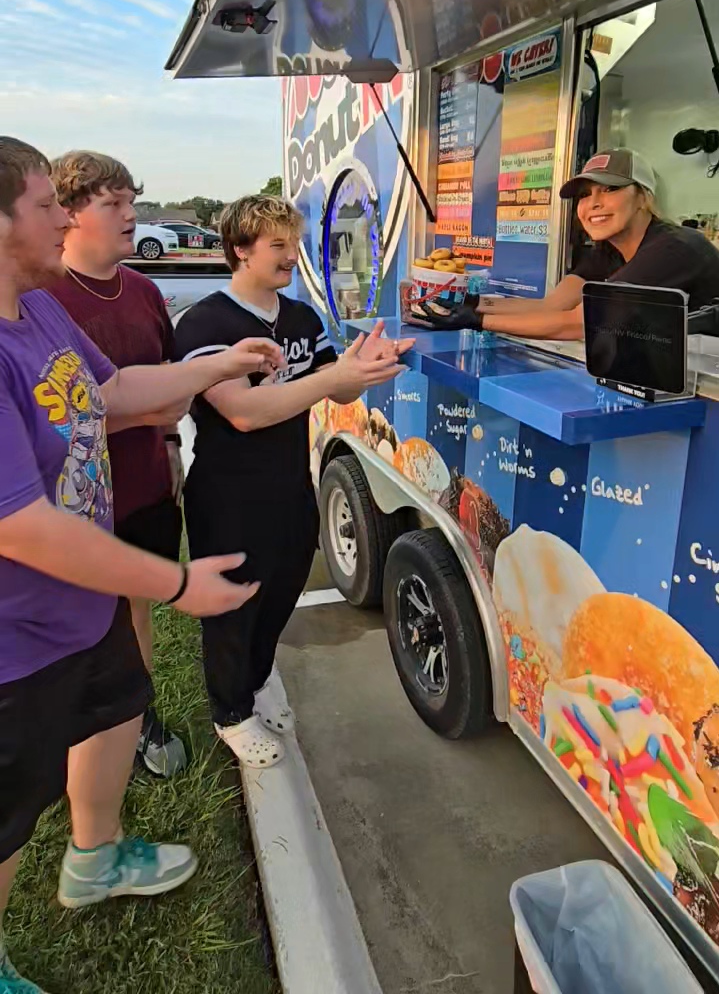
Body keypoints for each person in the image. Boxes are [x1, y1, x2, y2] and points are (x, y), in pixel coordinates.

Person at [0, 137, 283, 994]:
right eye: (48, 204)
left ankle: (95, 858)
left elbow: (113, 391)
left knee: (117, 716)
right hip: (18, 639)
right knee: (7, 823)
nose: (66, 217)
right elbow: (22, 526)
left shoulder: (38, 306)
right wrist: (174, 582)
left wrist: (213, 369)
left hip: (81, 609)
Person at [174, 194, 412, 768]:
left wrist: (361, 368)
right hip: (228, 494)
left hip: (290, 485)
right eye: (277, 245)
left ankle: (253, 686)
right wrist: (335, 374)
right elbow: (245, 412)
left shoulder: (301, 316)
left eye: (294, 243)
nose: (290, 256)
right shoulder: (206, 321)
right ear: (240, 250)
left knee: (282, 590)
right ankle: (229, 714)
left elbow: (339, 390)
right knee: (234, 606)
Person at [48, 150, 187, 778]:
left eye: (133, 201)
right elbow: (59, 420)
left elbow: (170, 385)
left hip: (147, 487)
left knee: (136, 612)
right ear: (70, 212)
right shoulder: (39, 298)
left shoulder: (146, 289)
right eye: (114, 204)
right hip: (71, 506)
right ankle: (83, 740)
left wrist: (169, 445)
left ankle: (139, 717)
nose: (133, 215)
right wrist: (143, 409)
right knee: (82, 629)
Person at [422, 149, 719, 342]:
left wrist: (478, 321)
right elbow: (551, 306)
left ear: (644, 197)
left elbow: (581, 323)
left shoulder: (672, 249)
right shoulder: (607, 250)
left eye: (610, 189)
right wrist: (470, 304)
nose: (594, 204)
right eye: (585, 194)